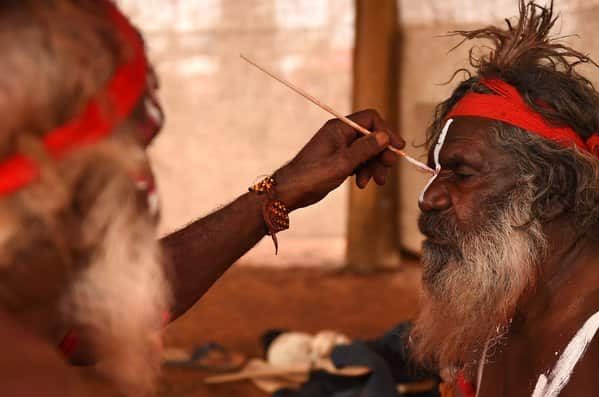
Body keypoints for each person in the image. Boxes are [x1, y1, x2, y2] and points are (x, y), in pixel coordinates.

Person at [0, 1, 404, 396]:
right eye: (137, 147)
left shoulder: (33, 311)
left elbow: (85, 323)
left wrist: (281, 192)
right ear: (68, 180)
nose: (144, 181)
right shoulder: (32, 379)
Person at [409, 1, 599, 396]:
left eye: (461, 174)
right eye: (433, 172)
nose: (429, 198)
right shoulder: (502, 292)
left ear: (552, 192)